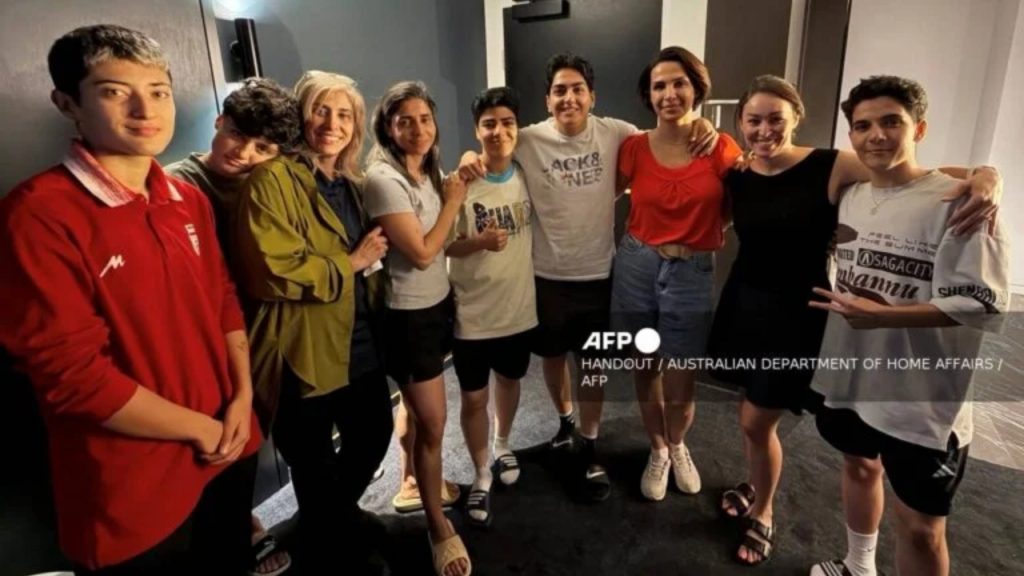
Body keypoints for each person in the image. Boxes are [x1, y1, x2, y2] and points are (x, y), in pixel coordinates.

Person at [705, 75, 1004, 566]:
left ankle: (765, 510)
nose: (764, 130)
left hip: (803, 310)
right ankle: (762, 486)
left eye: (775, 119)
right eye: (753, 120)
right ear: (739, 124)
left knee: (758, 418)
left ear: (796, 119)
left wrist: (986, 173)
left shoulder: (833, 165)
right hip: (746, 304)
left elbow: (919, 178)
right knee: (759, 419)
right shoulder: (738, 173)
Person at [0, 24, 261, 574]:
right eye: (115, 90)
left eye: (159, 91)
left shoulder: (185, 197)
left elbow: (222, 298)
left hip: (229, 438)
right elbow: (71, 376)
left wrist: (241, 398)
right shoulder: (38, 214)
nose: (146, 108)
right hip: (135, 482)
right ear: (68, 103)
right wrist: (200, 427)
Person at [459, 53, 718, 502]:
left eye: (577, 88)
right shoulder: (529, 138)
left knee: (592, 365)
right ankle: (564, 422)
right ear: (548, 99)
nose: (569, 97)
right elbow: (490, 145)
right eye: (560, 90)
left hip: (600, 274)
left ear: (592, 96)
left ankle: (590, 443)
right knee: (553, 359)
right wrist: (466, 156)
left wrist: (702, 125)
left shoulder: (618, 133)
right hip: (545, 276)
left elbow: (664, 140)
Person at [808, 75, 1009, 576]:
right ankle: (859, 567)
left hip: (921, 397)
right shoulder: (851, 195)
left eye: (890, 122)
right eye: (862, 126)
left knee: (920, 526)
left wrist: (885, 315)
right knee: (858, 465)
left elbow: (984, 304)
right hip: (850, 376)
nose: (876, 135)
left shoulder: (962, 202)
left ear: (919, 128)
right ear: (850, 137)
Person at [235, 71, 394, 575]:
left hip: (358, 339)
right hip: (300, 347)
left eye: (344, 114)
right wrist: (348, 263)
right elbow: (272, 271)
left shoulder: (352, 183)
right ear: (300, 114)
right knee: (311, 459)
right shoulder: (271, 180)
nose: (332, 124)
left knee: (373, 432)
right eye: (321, 110)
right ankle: (334, 550)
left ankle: (331, 516)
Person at [166, 77, 300, 576]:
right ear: (218, 122)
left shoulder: (267, 187)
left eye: (262, 148)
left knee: (244, 445)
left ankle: (241, 525)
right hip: (198, 345)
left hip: (254, 337)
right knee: (209, 454)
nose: (244, 153)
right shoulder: (175, 185)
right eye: (237, 136)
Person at [612, 46, 743, 505]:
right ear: (649, 95)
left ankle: (680, 443)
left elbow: (734, 206)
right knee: (645, 364)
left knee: (682, 373)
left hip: (691, 268)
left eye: (678, 83)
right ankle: (658, 448)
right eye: (659, 85)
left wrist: (701, 234)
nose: (669, 93)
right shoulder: (632, 147)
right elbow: (597, 195)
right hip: (636, 263)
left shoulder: (720, 145)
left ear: (696, 88)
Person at [363, 81, 471, 576]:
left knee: (415, 406)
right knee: (434, 423)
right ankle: (437, 525)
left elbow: (443, 244)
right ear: (388, 126)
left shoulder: (427, 169)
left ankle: (411, 483)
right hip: (407, 317)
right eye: (405, 120)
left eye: (425, 119)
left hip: (434, 305)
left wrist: (475, 235)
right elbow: (424, 251)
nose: (418, 129)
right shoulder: (383, 178)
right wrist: (453, 197)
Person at [447, 87, 536, 528]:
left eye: (507, 123)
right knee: (472, 396)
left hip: (518, 309)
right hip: (472, 313)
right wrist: (478, 243)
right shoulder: (460, 181)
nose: (498, 131)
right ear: (476, 130)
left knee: (511, 380)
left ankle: (503, 443)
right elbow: (442, 244)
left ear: (518, 130)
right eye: (489, 124)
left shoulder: (527, 174)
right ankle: (481, 472)